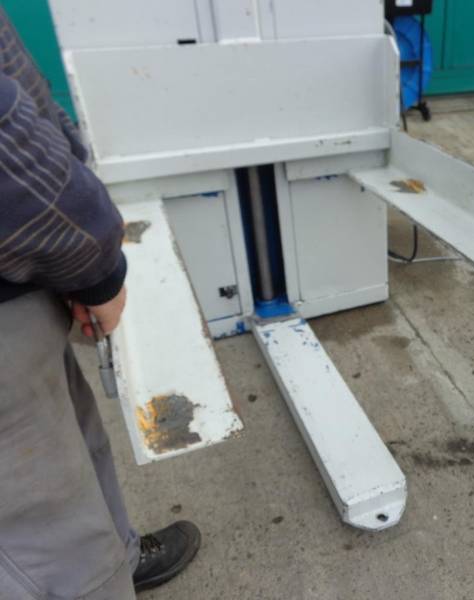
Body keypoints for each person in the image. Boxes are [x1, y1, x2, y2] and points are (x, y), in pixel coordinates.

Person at [0, 8, 200, 598]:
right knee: (48, 532)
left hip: (20, 266)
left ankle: (121, 554)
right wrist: (94, 268)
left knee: (74, 439)